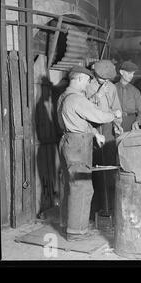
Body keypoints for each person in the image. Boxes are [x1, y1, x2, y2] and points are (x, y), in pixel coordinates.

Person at [57, 66, 122, 241]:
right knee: (82, 187)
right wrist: (113, 115)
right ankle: (76, 232)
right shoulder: (77, 99)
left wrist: (95, 133)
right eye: (86, 81)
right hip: (78, 144)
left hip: (68, 140)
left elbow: (80, 120)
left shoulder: (64, 96)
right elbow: (98, 116)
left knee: (70, 185)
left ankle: (66, 223)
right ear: (78, 79)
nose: (87, 84)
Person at [87, 60, 123, 217]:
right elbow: (84, 108)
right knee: (95, 169)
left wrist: (117, 123)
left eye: (108, 79)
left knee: (109, 169)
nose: (105, 82)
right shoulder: (88, 86)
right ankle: (96, 209)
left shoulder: (112, 87)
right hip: (93, 129)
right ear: (95, 74)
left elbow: (116, 109)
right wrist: (98, 95)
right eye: (102, 79)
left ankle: (110, 208)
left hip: (108, 130)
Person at [115, 61, 141, 132]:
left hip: (131, 122)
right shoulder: (112, 88)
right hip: (115, 122)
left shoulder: (135, 91)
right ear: (121, 72)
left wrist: (137, 121)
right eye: (129, 73)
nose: (132, 76)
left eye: (133, 73)